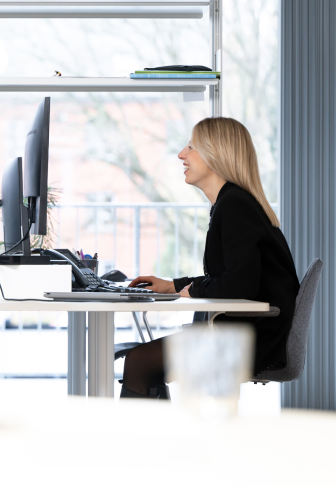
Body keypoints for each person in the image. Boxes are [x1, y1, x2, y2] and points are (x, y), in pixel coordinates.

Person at [122, 117, 299, 399]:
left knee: (139, 361)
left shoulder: (235, 206)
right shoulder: (232, 203)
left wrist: (194, 290)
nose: (181, 154)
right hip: (248, 332)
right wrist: (174, 285)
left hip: (249, 339)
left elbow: (239, 286)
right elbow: (232, 276)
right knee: (146, 362)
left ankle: (145, 443)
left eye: (191, 146)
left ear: (216, 154)